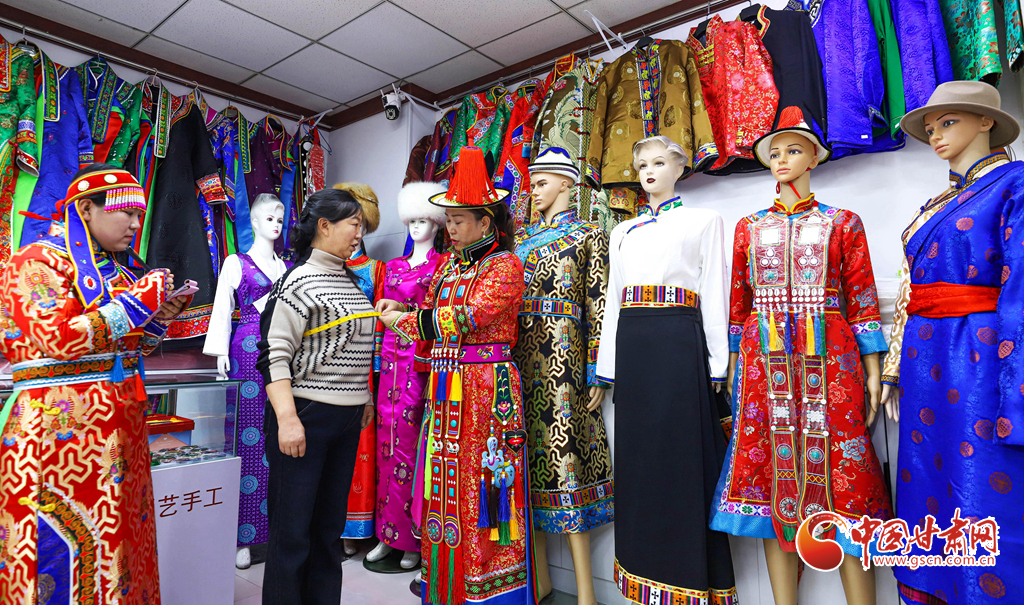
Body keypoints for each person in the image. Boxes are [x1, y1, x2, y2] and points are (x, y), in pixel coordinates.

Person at [0, 163, 188, 603]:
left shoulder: (119, 272)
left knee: (125, 543)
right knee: (63, 548)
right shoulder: (36, 261)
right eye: (128, 213)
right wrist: (137, 304)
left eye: (140, 215)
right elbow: (57, 339)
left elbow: (127, 352)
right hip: (58, 435)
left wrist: (158, 319)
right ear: (86, 209)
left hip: (121, 435)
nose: (137, 225)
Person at [881, 80, 1024, 605]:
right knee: (928, 490)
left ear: (986, 122)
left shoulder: (1015, 184)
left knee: (982, 483)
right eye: (931, 127)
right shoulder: (936, 203)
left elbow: (1020, 291)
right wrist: (894, 366)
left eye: (948, 122)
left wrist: (1016, 395)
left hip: (980, 360)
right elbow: (910, 289)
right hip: (926, 361)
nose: (936, 135)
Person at [378, 147, 531, 605]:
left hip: (486, 389)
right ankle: (444, 583)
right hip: (445, 387)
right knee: (441, 481)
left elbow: (469, 316)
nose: (451, 228)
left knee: (483, 481)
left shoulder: (505, 265)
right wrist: (402, 309)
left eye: (459, 220)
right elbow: (430, 311)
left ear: (485, 223)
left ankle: (487, 588)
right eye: (448, 220)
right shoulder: (448, 266)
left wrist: (404, 321)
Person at [256, 188, 376, 605]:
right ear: (325, 226)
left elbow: (353, 346)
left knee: (328, 532)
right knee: (292, 534)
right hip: (305, 416)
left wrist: (364, 397)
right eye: (354, 224)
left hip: (345, 420)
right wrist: (287, 419)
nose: (359, 233)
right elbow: (274, 354)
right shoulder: (298, 281)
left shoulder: (350, 280)